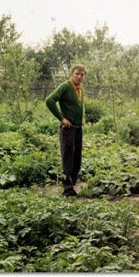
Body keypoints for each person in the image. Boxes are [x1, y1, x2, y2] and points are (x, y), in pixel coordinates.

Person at [46, 64, 87, 197]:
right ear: (72, 74)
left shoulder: (80, 88)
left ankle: (72, 185)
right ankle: (67, 189)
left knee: (77, 158)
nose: (79, 77)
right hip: (68, 129)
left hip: (78, 128)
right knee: (68, 158)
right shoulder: (65, 86)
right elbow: (50, 100)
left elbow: (78, 105)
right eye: (77, 74)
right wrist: (62, 119)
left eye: (82, 75)